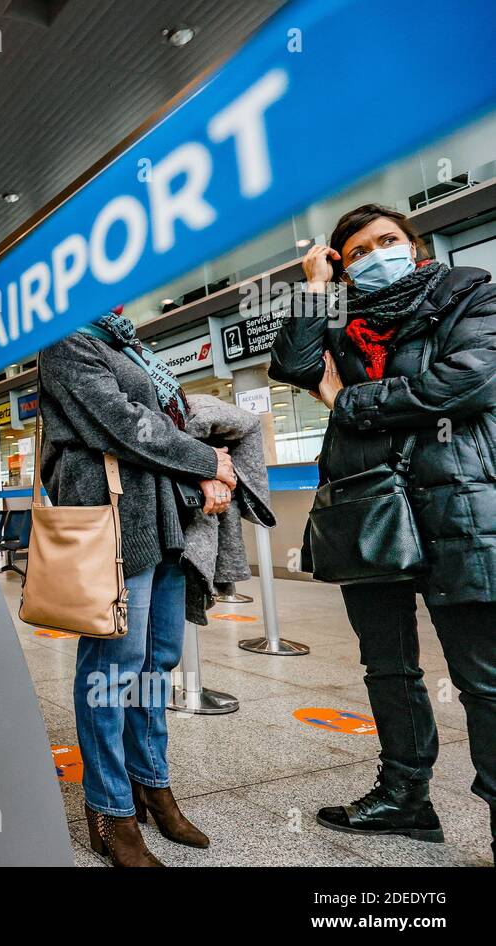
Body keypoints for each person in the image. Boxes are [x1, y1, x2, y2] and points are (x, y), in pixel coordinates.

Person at [270, 203, 496, 858]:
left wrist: (349, 399)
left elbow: (467, 385)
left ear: (416, 245)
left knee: (483, 675)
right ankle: (404, 797)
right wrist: (315, 291)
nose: (375, 255)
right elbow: (292, 365)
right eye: (358, 251)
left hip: (460, 509)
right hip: (369, 511)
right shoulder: (341, 317)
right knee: (387, 668)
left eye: (387, 241)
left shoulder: (467, 291)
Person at [38, 308, 237, 866]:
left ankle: (151, 782)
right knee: (114, 662)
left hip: (162, 514)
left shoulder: (127, 344)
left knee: (158, 659)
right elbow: (124, 424)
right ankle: (108, 809)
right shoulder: (65, 340)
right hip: (113, 516)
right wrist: (208, 463)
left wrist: (198, 473)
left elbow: (166, 424)